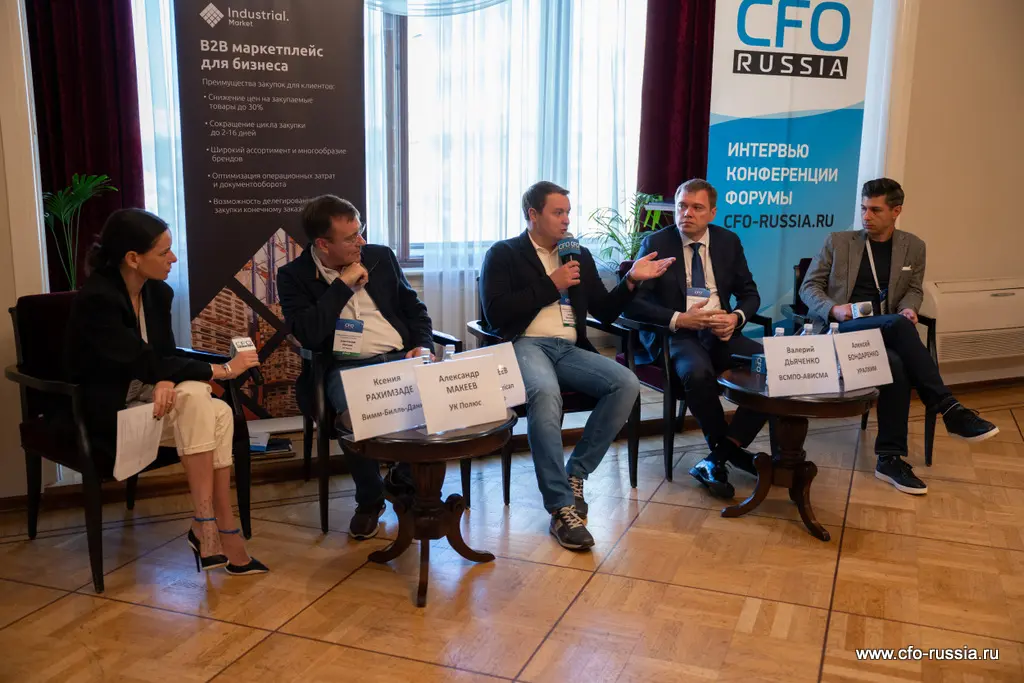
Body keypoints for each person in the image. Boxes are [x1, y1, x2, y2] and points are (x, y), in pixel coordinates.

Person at [66, 208, 267, 575]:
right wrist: (223, 370)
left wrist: (166, 378)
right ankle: (219, 527)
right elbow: (141, 359)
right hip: (111, 414)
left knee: (208, 407)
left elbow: (161, 355)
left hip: (156, 403)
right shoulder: (97, 300)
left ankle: (208, 524)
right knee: (211, 407)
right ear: (133, 258)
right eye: (164, 252)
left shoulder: (158, 292)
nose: (173, 258)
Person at [479, 181, 674, 550]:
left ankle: (575, 473)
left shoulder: (577, 254)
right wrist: (551, 284)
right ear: (533, 214)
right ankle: (560, 508)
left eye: (568, 212)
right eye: (558, 212)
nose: (567, 220)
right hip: (524, 344)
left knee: (626, 384)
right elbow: (496, 313)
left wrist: (632, 279)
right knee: (545, 393)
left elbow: (605, 310)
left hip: (568, 348)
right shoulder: (504, 253)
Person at [800, 178, 998, 495]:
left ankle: (889, 459)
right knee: (896, 326)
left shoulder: (913, 247)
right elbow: (809, 287)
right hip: (842, 330)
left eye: (875, 210)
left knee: (896, 363)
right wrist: (834, 309)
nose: (866, 216)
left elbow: (914, 290)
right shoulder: (838, 242)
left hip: (885, 336)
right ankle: (949, 408)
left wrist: (908, 308)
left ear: (896, 211)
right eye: (863, 208)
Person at [278, 194, 434, 539]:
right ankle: (370, 499)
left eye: (361, 232)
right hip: (346, 367)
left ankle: (405, 480)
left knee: (435, 402)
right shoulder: (293, 276)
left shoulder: (380, 257)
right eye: (351, 238)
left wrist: (423, 345)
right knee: (358, 414)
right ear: (323, 244)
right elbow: (309, 333)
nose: (361, 242)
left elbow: (415, 311)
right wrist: (343, 285)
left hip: (400, 356)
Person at [626, 178, 768, 499]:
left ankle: (720, 455)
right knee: (697, 372)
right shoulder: (656, 243)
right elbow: (636, 303)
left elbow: (750, 294)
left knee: (773, 368)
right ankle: (727, 454)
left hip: (720, 330)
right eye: (682, 206)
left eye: (696, 207)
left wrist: (735, 318)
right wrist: (680, 318)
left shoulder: (728, 241)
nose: (687, 213)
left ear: (712, 213)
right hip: (677, 333)